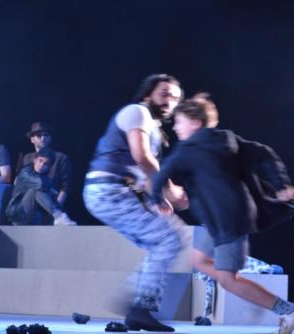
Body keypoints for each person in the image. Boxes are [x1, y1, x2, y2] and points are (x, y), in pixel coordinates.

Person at [151, 95, 294, 334]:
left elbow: (162, 175)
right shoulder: (229, 140)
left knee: (227, 280)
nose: (175, 127)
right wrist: (281, 184)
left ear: (195, 122)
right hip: (222, 219)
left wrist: (157, 198)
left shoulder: (188, 150)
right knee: (198, 260)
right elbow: (264, 153)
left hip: (227, 220)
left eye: (179, 121)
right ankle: (269, 301)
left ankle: (287, 310)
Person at [83, 74, 187, 332]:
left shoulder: (152, 127)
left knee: (170, 238)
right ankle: (137, 305)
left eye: (174, 98)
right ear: (147, 94)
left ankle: (137, 306)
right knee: (170, 239)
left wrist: (160, 199)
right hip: (108, 190)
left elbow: (142, 174)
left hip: (116, 192)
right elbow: (141, 157)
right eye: (164, 93)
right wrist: (169, 187)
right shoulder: (137, 111)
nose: (169, 101)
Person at [6, 148, 76, 226]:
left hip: (35, 215)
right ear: (35, 160)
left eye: (46, 164)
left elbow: (52, 194)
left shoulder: (45, 178)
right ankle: (59, 216)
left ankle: (59, 218)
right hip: (18, 214)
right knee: (36, 189)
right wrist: (52, 191)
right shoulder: (25, 172)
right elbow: (41, 185)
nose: (42, 165)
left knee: (52, 198)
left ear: (50, 166)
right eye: (40, 160)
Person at [19, 122, 72, 206]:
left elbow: (66, 186)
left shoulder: (61, 157)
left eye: (46, 135)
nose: (43, 138)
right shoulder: (27, 158)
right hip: (29, 205)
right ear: (32, 139)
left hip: (51, 204)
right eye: (39, 135)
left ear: (50, 138)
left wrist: (56, 207)